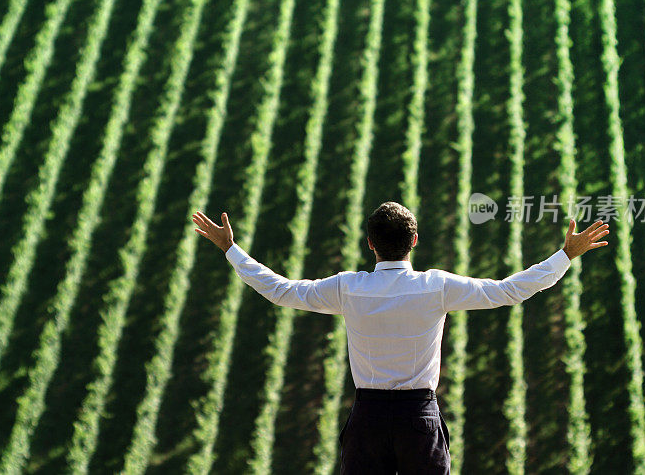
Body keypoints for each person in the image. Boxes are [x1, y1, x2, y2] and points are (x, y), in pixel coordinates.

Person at [192, 201, 609, 474]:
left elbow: (280, 290)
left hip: (367, 419)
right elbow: (507, 291)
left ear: (370, 243)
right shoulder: (436, 287)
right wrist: (564, 256)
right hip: (418, 418)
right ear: (413, 241)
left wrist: (232, 249)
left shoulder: (347, 287)